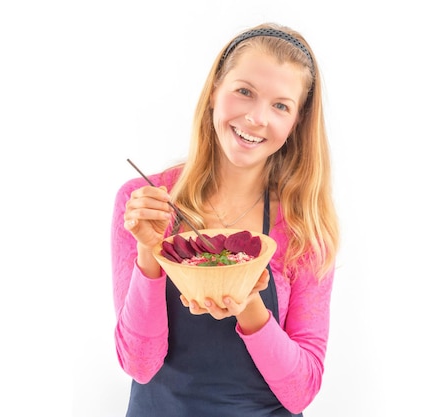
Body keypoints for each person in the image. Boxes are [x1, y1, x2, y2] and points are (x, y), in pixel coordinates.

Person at [110, 22, 340, 416]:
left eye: (280, 105)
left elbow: (301, 391)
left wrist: (247, 302)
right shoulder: (143, 204)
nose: (256, 118)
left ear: (296, 122)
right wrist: (149, 254)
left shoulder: (304, 228)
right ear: (216, 90)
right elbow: (139, 364)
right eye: (244, 91)